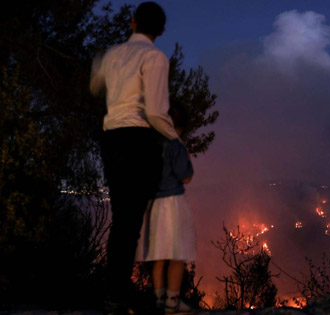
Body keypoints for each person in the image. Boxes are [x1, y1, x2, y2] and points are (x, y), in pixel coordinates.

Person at [89, 2, 178, 313]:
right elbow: (155, 111)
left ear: (132, 22)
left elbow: (94, 85)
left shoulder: (111, 55)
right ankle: (121, 292)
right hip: (139, 140)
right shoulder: (154, 57)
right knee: (136, 220)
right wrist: (175, 140)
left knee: (123, 221)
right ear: (161, 31)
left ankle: (116, 289)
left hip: (112, 139)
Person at [135, 104, 196, 314]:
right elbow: (186, 176)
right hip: (172, 204)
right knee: (177, 254)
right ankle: (172, 301)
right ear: (180, 126)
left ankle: (159, 299)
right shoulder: (175, 146)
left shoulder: (152, 145)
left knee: (158, 254)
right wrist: (186, 155)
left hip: (154, 204)